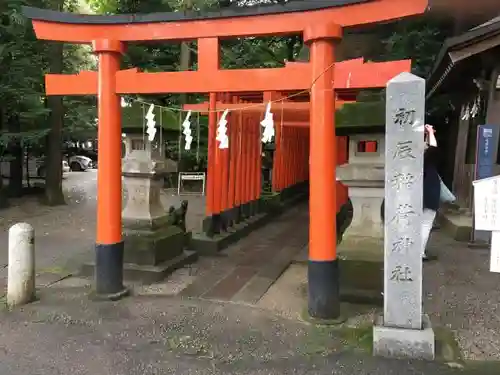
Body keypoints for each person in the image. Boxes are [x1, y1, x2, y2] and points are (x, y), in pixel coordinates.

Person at [422, 124, 441, 261]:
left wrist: (427, 134)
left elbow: (430, 148)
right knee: (425, 224)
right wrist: (430, 132)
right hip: (428, 193)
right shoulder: (426, 159)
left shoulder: (409, 156)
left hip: (415, 193)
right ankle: (420, 252)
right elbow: (433, 148)